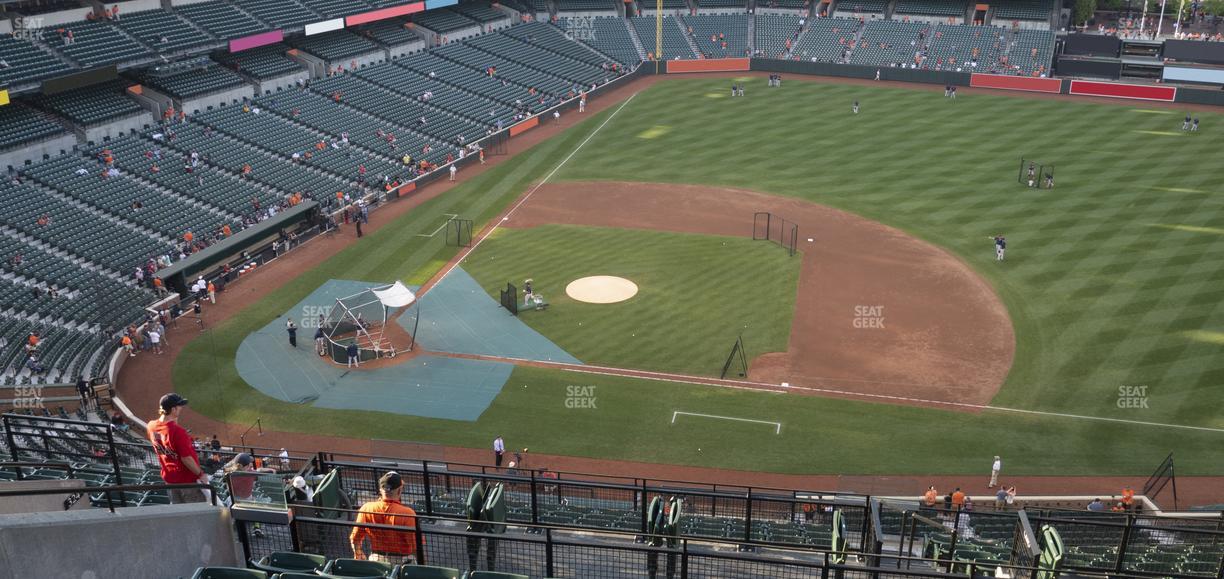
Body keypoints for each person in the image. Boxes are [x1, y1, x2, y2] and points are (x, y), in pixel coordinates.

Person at [147, 393, 209, 504]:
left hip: (169, 480)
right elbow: (186, 458)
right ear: (173, 409)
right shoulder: (178, 432)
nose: (181, 408)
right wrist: (201, 474)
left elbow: (165, 433)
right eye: (179, 406)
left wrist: (173, 422)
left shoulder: (151, 426)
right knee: (195, 510)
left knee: (179, 509)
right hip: (187, 482)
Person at [351, 471, 421, 565]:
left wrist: (358, 554)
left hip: (376, 562)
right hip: (403, 563)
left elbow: (355, 538)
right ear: (400, 490)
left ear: (380, 490)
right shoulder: (408, 513)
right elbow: (416, 546)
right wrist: (421, 566)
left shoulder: (366, 508)